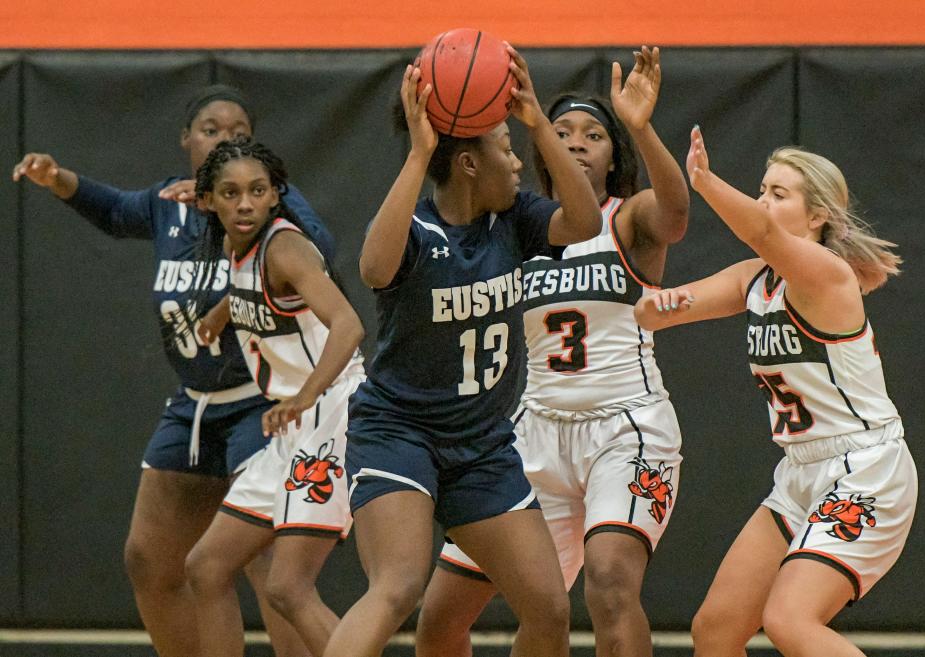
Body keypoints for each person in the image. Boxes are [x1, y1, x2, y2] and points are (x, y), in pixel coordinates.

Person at [11, 85, 333, 657]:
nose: (226, 139)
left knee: (266, 567)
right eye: (212, 129)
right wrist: (57, 177)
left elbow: (322, 251)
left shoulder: (258, 208)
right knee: (149, 558)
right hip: (193, 403)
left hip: (260, 402)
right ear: (187, 140)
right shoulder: (168, 202)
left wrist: (268, 197)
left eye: (239, 132)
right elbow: (112, 210)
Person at [321, 46, 602, 657]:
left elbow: (584, 223)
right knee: (396, 587)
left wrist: (533, 123)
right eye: (507, 149)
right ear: (470, 164)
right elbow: (371, 268)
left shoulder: (516, 220)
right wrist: (421, 152)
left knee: (549, 608)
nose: (520, 164)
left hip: (481, 446)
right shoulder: (418, 233)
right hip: (401, 432)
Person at [415, 46, 690, 657]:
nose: (576, 142)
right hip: (533, 434)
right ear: (537, 149)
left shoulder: (627, 219)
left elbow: (674, 214)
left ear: (613, 154)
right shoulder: (516, 226)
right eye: (562, 131)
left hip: (626, 429)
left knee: (611, 583)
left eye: (594, 134)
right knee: (440, 617)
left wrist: (641, 129)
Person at [634, 127, 917, 657]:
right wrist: (653, 303)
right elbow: (660, 309)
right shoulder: (755, 280)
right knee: (715, 630)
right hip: (800, 473)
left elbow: (762, 232)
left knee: (789, 621)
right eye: (761, 190)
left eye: (778, 193)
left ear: (817, 217)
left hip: (866, 469)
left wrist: (705, 181)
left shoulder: (828, 275)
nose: (763, 201)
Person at [185, 137, 365, 657]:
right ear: (208, 201)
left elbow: (349, 327)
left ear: (274, 196)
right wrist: (221, 313)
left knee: (287, 588)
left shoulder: (285, 248)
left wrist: (303, 399)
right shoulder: (233, 247)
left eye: (256, 191)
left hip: (332, 414)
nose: (244, 203)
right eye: (231, 192)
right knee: (207, 566)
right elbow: (253, 294)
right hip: (291, 427)